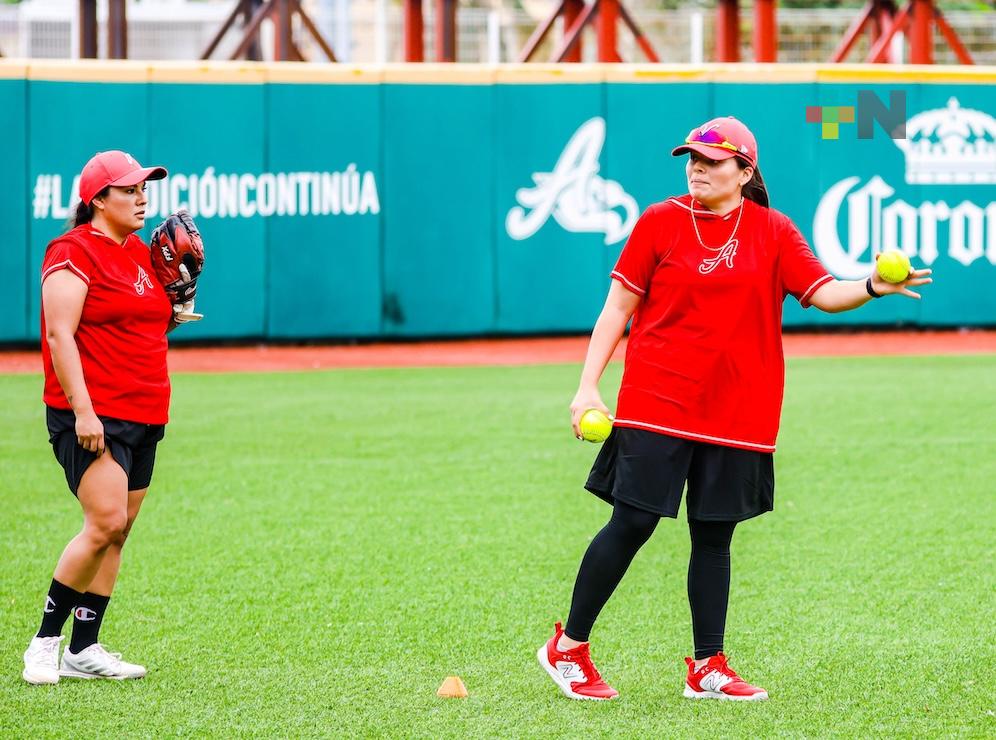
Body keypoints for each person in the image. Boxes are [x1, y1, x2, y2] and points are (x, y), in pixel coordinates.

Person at [536, 117, 931, 702]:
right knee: (634, 522)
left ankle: (708, 666)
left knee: (714, 535)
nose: (697, 167)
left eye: (713, 161)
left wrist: (871, 284)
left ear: (745, 172)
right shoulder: (660, 221)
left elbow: (823, 292)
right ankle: (568, 648)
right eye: (692, 158)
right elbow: (617, 307)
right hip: (658, 400)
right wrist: (587, 387)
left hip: (739, 409)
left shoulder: (773, 230)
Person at [22, 150, 196, 684]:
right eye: (129, 190)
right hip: (94, 414)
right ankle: (44, 643)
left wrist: (179, 302)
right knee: (105, 522)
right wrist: (83, 410)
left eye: (144, 188)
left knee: (119, 533)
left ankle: (84, 649)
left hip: (146, 408)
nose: (142, 198)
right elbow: (59, 334)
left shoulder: (140, 254)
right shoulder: (72, 251)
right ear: (98, 199)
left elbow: (148, 327)